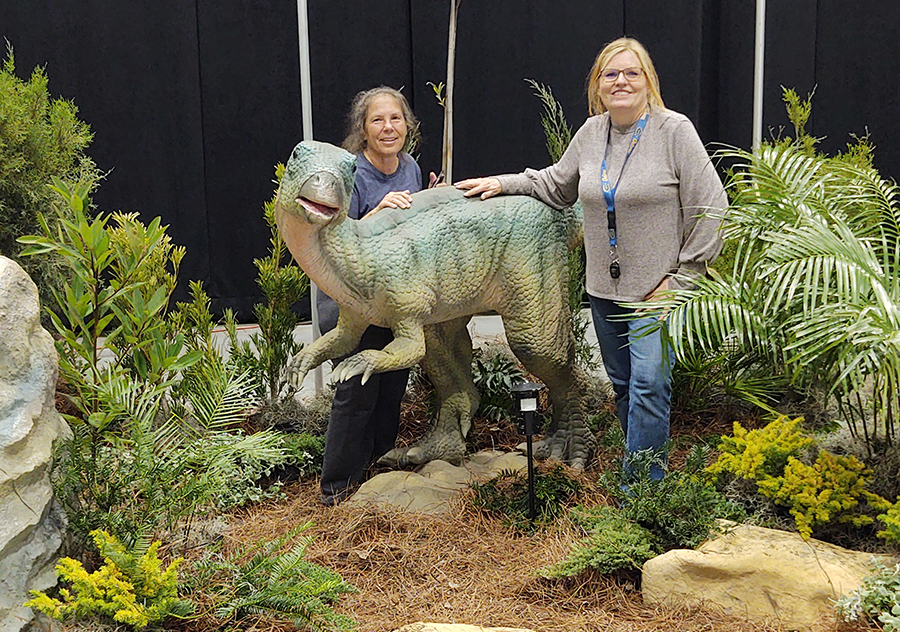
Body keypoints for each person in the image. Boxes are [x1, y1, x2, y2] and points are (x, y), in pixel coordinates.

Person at [456, 37, 727, 481]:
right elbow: (556, 185)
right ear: (598, 86)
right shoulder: (590, 134)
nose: (621, 81)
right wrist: (502, 183)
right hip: (604, 292)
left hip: (658, 294)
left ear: (648, 81)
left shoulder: (673, 131)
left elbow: (712, 206)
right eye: (610, 74)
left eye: (631, 73)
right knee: (623, 386)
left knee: (649, 385)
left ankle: (641, 492)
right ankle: (639, 469)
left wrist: (685, 277)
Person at [317, 86, 425, 505]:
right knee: (356, 393)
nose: (388, 127)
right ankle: (337, 490)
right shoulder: (351, 176)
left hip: (393, 303)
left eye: (395, 119)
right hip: (354, 305)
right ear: (362, 130)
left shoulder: (410, 166)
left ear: (407, 125)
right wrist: (377, 213)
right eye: (378, 120)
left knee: (391, 386)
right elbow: (337, 240)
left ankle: (377, 472)